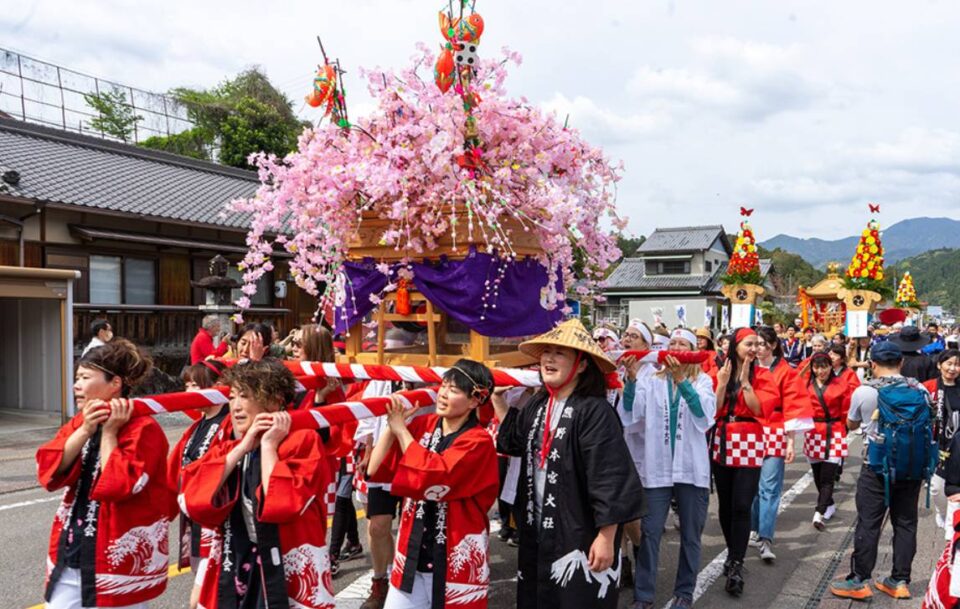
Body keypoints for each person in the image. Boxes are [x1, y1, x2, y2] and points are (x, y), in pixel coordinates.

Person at [493, 318, 644, 609]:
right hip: (539, 527)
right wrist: (499, 402)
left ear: (582, 365)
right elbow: (514, 442)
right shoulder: (538, 404)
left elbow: (609, 477)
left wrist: (606, 536)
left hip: (579, 531)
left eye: (559, 353)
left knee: (576, 598)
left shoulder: (595, 411)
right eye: (546, 352)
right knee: (538, 597)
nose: (548, 359)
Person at [180, 358, 335, 609]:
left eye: (245, 396)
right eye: (232, 397)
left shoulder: (303, 440)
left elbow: (282, 504)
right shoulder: (234, 445)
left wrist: (269, 446)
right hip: (237, 555)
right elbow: (193, 498)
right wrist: (242, 447)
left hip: (286, 558)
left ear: (275, 401)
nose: (235, 407)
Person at [37, 339, 169, 609]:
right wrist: (85, 430)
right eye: (77, 378)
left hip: (116, 560)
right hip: (73, 548)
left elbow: (119, 484)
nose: (76, 385)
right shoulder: (83, 420)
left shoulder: (144, 428)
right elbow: (49, 469)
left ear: (115, 383)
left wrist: (109, 434)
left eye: (85, 377)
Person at [367, 359, 499, 609]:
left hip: (455, 556)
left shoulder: (478, 441)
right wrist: (393, 426)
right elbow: (374, 470)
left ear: (474, 401)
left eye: (454, 390)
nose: (444, 394)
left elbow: (434, 476)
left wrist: (402, 431)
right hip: (412, 555)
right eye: (444, 385)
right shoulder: (423, 426)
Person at [830, 341, 933, 601]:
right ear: (901, 363)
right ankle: (899, 581)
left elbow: (852, 424)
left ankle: (859, 580)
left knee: (869, 522)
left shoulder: (865, 391)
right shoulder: (919, 389)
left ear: (872, 364)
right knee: (906, 523)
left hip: (876, 468)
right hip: (912, 466)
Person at [629, 328, 716, 609]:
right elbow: (632, 416)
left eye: (683, 344)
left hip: (691, 469)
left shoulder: (703, 381)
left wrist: (682, 381)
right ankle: (643, 595)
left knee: (690, 534)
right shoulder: (652, 380)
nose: (676, 348)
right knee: (650, 531)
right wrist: (631, 379)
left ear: (692, 351)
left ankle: (684, 592)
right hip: (658, 468)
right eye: (673, 343)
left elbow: (704, 417)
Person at [710, 328, 779, 596]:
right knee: (726, 504)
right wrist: (722, 383)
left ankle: (737, 563)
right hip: (722, 438)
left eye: (757, 344)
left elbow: (760, 409)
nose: (754, 349)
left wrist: (746, 382)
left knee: (741, 504)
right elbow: (713, 410)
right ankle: (733, 553)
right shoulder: (720, 371)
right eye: (749, 344)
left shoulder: (763, 375)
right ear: (735, 346)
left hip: (749, 438)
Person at [168, 360, 230, 609]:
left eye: (195, 385)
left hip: (216, 519)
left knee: (200, 598)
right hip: (194, 517)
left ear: (218, 386)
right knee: (204, 588)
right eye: (187, 386)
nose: (188, 392)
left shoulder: (229, 423)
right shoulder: (197, 425)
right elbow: (172, 472)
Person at [749, 326, 810, 562]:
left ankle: (766, 537)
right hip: (750, 431)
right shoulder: (748, 367)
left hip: (775, 430)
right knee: (751, 486)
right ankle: (753, 528)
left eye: (762, 344)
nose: (757, 349)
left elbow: (792, 408)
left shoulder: (786, 371)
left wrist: (790, 443)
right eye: (754, 344)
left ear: (773, 345)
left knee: (769, 487)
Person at [800, 352, 854, 530]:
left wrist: (846, 428)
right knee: (817, 475)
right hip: (813, 431)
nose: (820, 371)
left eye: (824, 366)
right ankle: (829, 504)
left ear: (831, 366)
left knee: (827, 477)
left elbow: (846, 410)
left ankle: (819, 513)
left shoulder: (841, 384)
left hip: (835, 431)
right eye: (816, 367)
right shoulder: (806, 383)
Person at [925, 349, 960, 538]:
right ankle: (943, 511)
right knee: (937, 488)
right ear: (939, 365)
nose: (953, 368)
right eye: (949, 363)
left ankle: (952, 522)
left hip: (957, 445)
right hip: (936, 444)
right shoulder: (928, 387)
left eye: (957, 364)